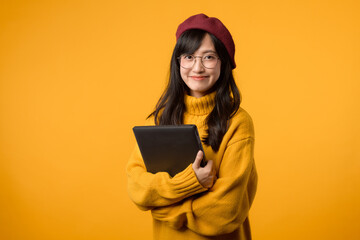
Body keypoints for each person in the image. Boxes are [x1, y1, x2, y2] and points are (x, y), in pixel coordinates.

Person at [126, 13, 258, 240]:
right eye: (188, 57)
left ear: (223, 63)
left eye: (208, 57)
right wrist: (192, 182)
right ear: (178, 62)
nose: (197, 68)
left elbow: (226, 211)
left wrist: (162, 207)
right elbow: (137, 188)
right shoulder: (160, 120)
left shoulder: (237, 122)